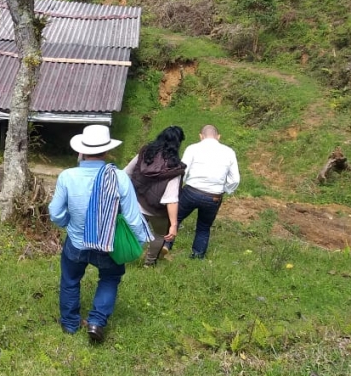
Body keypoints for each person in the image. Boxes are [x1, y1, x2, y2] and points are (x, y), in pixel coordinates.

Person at [48, 125, 153, 344]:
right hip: (108, 243)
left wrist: (67, 223)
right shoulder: (119, 177)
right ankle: (96, 321)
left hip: (76, 243)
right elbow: (133, 216)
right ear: (106, 152)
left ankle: (69, 324)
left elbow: (55, 213)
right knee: (110, 278)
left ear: (81, 152)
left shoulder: (67, 176)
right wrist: (141, 241)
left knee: (70, 280)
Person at [170, 124, 240, 259]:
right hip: (213, 196)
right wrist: (224, 190)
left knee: (175, 219)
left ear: (201, 136)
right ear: (218, 137)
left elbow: (181, 170)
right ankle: (197, 255)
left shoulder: (193, 148)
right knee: (204, 227)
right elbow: (235, 179)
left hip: (191, 191)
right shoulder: (229, 152)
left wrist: (177, 189)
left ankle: (166, 245)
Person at [123, 126, 186, 267]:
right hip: (157, 211)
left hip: (137, 203)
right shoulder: (175, 168)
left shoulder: (144, 153)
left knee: (131, 231)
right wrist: (174, 225)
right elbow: (171, 199)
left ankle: (125, 258)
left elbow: (126, 172)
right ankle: (149, 263)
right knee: (158, 235)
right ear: (178, 143)